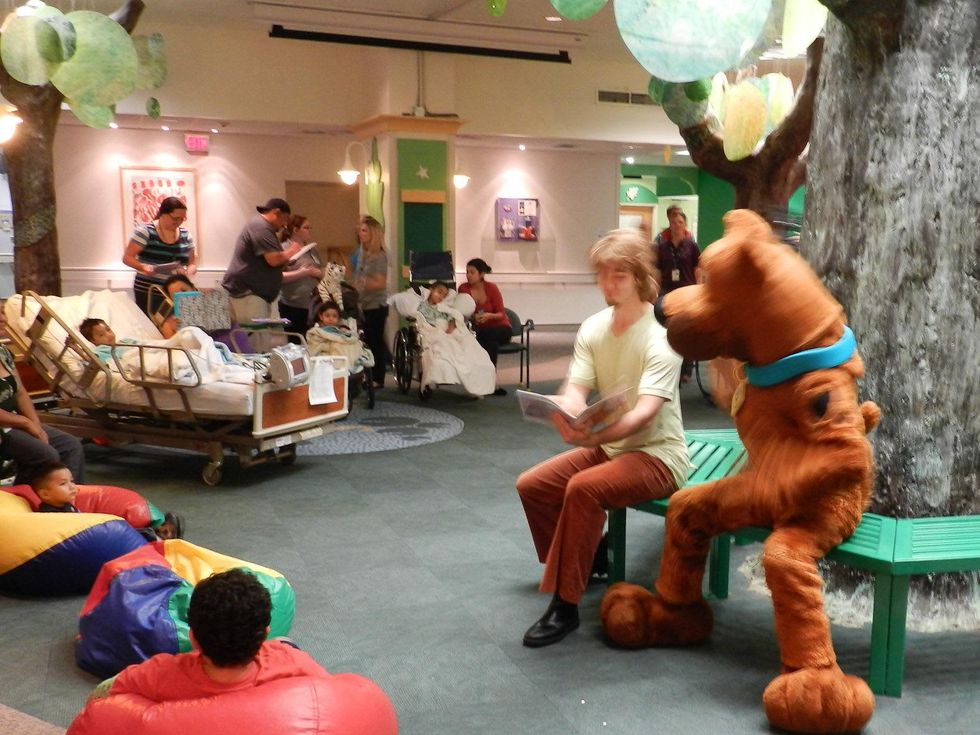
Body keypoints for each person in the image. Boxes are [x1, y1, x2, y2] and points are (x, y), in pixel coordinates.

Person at [514, 228, 690, 648]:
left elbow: (645, 414)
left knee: (582, 489)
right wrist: (567, 410)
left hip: (658, 457)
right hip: (612, 449)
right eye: (602, 275)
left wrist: (592, 437)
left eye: (619, 275)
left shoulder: (661, 336)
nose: (607, 284)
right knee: (532, 485)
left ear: (640, 278)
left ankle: (565, 604)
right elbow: (577, 389)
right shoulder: (594, 327)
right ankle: (585, 557)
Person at [84, 569, 329, 703]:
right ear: (264, 635)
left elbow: (101, 694)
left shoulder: (160, 673)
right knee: (286, 643)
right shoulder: (291, 663)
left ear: (192, 637)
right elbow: (331, 694)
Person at [0, 312, 86, 486]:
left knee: (71, 446)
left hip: (15, 421)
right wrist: (26, 423)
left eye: (2, 312)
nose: (2, 318)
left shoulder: (3, 352)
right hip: (4, 426)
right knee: (45, 455)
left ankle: (69, 498)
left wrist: (36, 425)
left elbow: (20, 392)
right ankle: (25, 498)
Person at [221, 198, 302, 351]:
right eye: (285, 220)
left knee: (257, 336)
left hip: (253, 293)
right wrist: (292, 250)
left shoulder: (262, 228)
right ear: (276, 213)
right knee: (255, 339)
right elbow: (273, 259)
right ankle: (255, 365)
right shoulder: (261, 227)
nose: (284, 225)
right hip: (249, 292)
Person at [30, 459, 183, 540]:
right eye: (63, 484)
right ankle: (158, 535)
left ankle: (159, 532)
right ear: (45, 494)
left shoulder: (64, 505)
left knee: (121, 528)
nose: (72, 486)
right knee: (120, 533)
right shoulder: (50, 516)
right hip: (88, 543)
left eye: (72, 481)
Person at [413, 281, 496, 398]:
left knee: (471, 350)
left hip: (448, 332)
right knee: (443, 348)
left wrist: (452, 323)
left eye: (443, 295)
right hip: (432, 332)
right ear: (431, 290)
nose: (441, 297)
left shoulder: (444, 308)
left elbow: (453, 316)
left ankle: (476, 379)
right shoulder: (421, 306)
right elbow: (418, 319)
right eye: (439, 292)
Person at [122, 197, 197, 317]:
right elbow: (127, 258)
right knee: (151, 324)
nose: (179, 222)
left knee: (176, 323)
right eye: (175, 218)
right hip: (149, 290)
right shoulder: (145, 231)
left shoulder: (186, 235)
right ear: (163, 214)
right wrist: (143, 267)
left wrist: (187, 274)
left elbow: (192, 263)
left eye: (182, 219)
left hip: (175, 292)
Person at [652, 205, 700, 383]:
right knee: (665, 329)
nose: (677, 225)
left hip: (687, 291)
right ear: (670, 224)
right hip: (667, 291)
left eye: (680, 222)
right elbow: (658, 270)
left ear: (684, 225)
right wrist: (655, 292)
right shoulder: (662, 246)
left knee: (687, 330)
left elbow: (697, 268)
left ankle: (686, 369)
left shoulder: (692, 246)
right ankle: (668, 366)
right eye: (674, 222)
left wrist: (700, 289)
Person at [457, 257, 510, 396]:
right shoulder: (463, 288)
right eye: (467, 272)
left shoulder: (492, 288)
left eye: (472, 272)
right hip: (479, 329)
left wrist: (489, 316)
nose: (468, 275)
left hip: (500, 327)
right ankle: (487, 382)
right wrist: (473, 317)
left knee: (488, 338)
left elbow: (501, 314)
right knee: (485, 340)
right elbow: (462, 310)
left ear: (481, 274)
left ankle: (488, 381)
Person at [352, 215, 389, 389]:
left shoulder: (380, 256)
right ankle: (367, 374)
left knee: (375, 342)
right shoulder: (362, 253)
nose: (360, 233)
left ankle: (378, 377)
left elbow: (381, 283)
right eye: (360, 230)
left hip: (376, 304)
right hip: (363, 303)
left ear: (373, 233)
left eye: (364, 231)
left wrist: (362, 284)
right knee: (365, 341)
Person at [278, 214, 324, 336]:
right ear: (295, 230)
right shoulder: (283, 249)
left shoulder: (312, 250)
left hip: (313, 305)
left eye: (310, 227)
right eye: (306, 227)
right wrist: (302, 273)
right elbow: (278, 277)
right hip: (292, 305)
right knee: (297, 341)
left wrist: (319, 273)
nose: (310, 230)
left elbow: (322, 269)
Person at [305, 300, 374, 373]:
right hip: (328, 359)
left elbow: (348, 339)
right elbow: (314, 346)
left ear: (338, 319)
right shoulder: (317, 331)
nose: (330, 319)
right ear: (321, 316)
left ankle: (351, 363)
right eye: (327, 316)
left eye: (334, 316)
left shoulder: (340, 330)